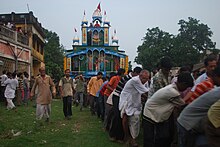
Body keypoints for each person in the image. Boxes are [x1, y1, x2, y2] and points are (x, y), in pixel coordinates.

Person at [143, 72, 194, 147]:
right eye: (186, 87)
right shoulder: (173, 92)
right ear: (183, 84)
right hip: (151, 115)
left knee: (162, 138)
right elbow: (182, 104)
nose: (185, 90)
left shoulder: (171, 87)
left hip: (156, 115)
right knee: (151, 140)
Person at [108, 66, 142, 142]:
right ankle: (113, 135)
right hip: (117, 96)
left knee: (123, 116)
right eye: (138, 75)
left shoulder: (133, 79)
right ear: (135, 73)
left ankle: (121, 136)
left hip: (124, 98)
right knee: (118, 116)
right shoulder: (127, 79)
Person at [119, 70, 150, 147]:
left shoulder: (145, 82)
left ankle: (133, 138)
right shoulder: (135, 80)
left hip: (135, 100)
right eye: (143, 78)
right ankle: (127, 137)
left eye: (146, 79)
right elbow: (146, 93)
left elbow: (145, 93)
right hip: (126, 99)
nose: (145, 80)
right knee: (125, 117)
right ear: (139, 76)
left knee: (135, 120)